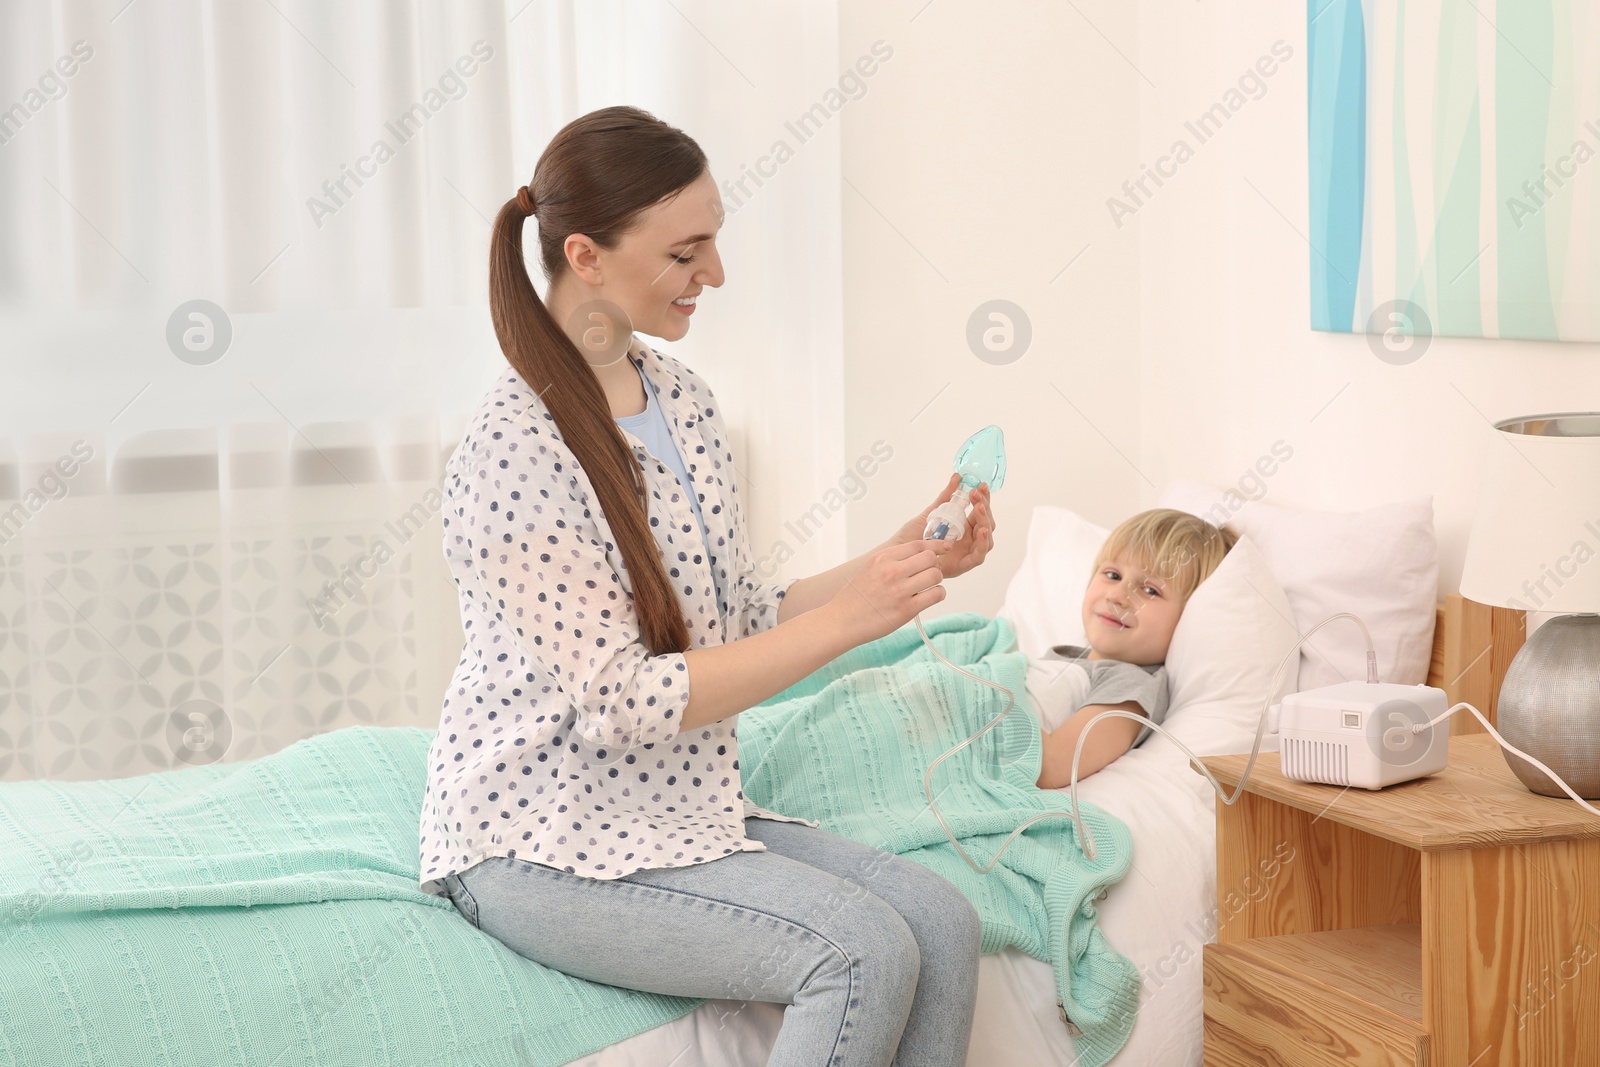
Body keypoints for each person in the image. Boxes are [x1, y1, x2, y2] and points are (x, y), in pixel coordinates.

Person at [416, 105, 997, 1067]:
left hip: (677, 807)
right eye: (687, 252)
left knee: (942, 920)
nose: (715, 274)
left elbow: (735, 619)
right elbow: (621, 699)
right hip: (537, 835)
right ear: (585, 256)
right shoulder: (514, 450)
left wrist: (900, 560)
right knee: (857, 950)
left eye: (714, 243)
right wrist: (849, 624)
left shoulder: (682, 401)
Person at [1032, 509, 1238, 789]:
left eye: (1151, 590)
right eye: (1113, 574)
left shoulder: (1130, 686)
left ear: (1189, 618)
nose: (1118, 596)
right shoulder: (1062, 657)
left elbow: (1051, 765)